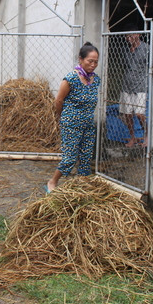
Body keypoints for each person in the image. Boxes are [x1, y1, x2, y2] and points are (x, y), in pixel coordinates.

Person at [46, 42, 101, 192]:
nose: (93, 65)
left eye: (96, 62)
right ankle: (52, 181)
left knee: (85, 157)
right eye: (90, 61)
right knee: (70, 158)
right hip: (71, 124)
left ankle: (81, 186)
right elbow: (59, 101)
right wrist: (63, 118)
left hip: (88, 124)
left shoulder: (96, 80)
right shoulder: (70, 79)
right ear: (81, 60)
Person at [118, 33, 148, 147]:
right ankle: (132, 138)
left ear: (138, 34)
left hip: (140, 86)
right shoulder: (125, 49)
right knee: (127, 114)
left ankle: (146, 136)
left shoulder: (146, 48)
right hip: (127, 85)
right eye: (126, 36)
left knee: (140, 113)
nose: (128, 38)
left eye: (131, 35)